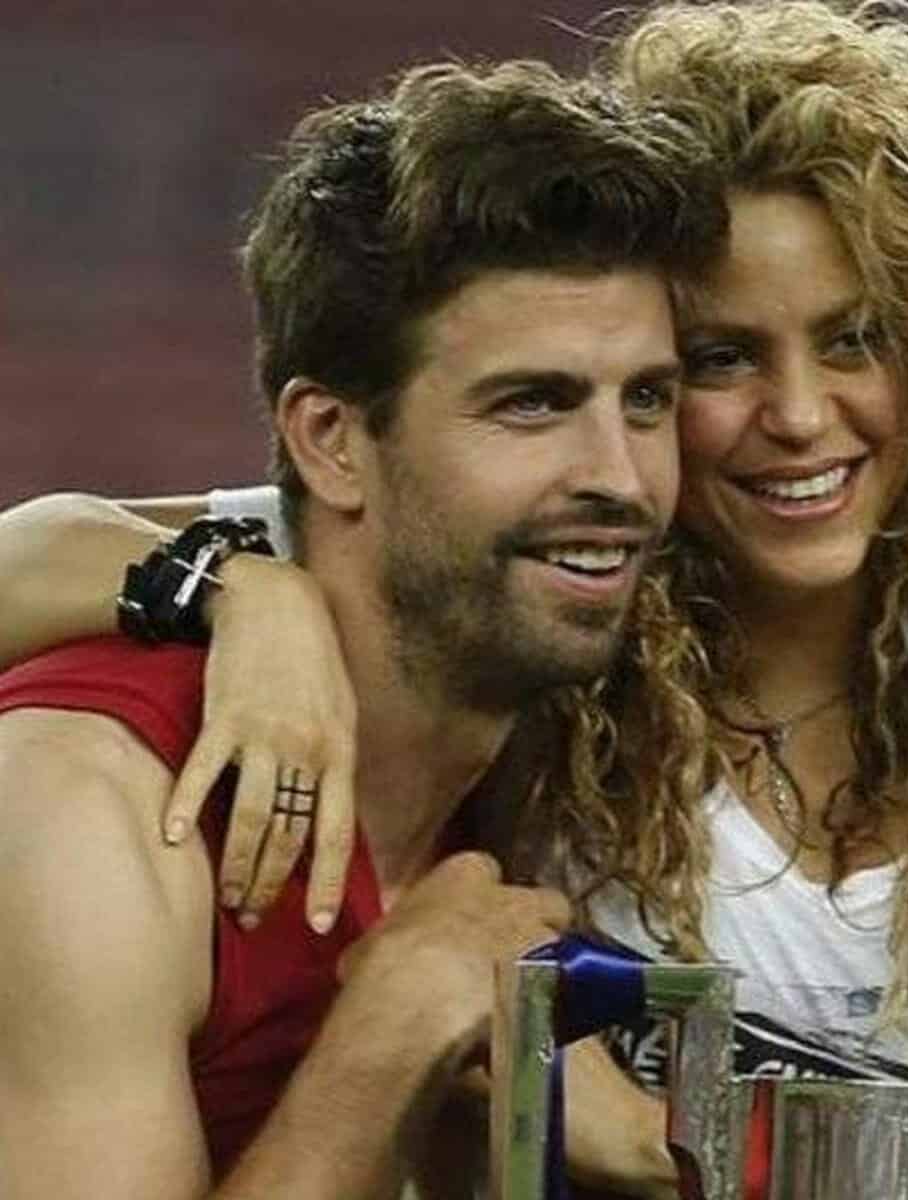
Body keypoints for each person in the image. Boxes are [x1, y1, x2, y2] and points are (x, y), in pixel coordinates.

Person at [4, 0, 908, 1124]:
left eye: (856, 340)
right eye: (723, 358)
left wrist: (655, 1144)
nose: (799, 415)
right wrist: (240, 590)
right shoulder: (538, 620)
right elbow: (50, 543)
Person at [0, 56, 729, 1200]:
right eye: (532, 403)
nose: (621, 477)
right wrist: (391, 1037)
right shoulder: (86, 805)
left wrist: (649, 1153)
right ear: (332, 442)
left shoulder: (567, 748)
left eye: (646, 399)